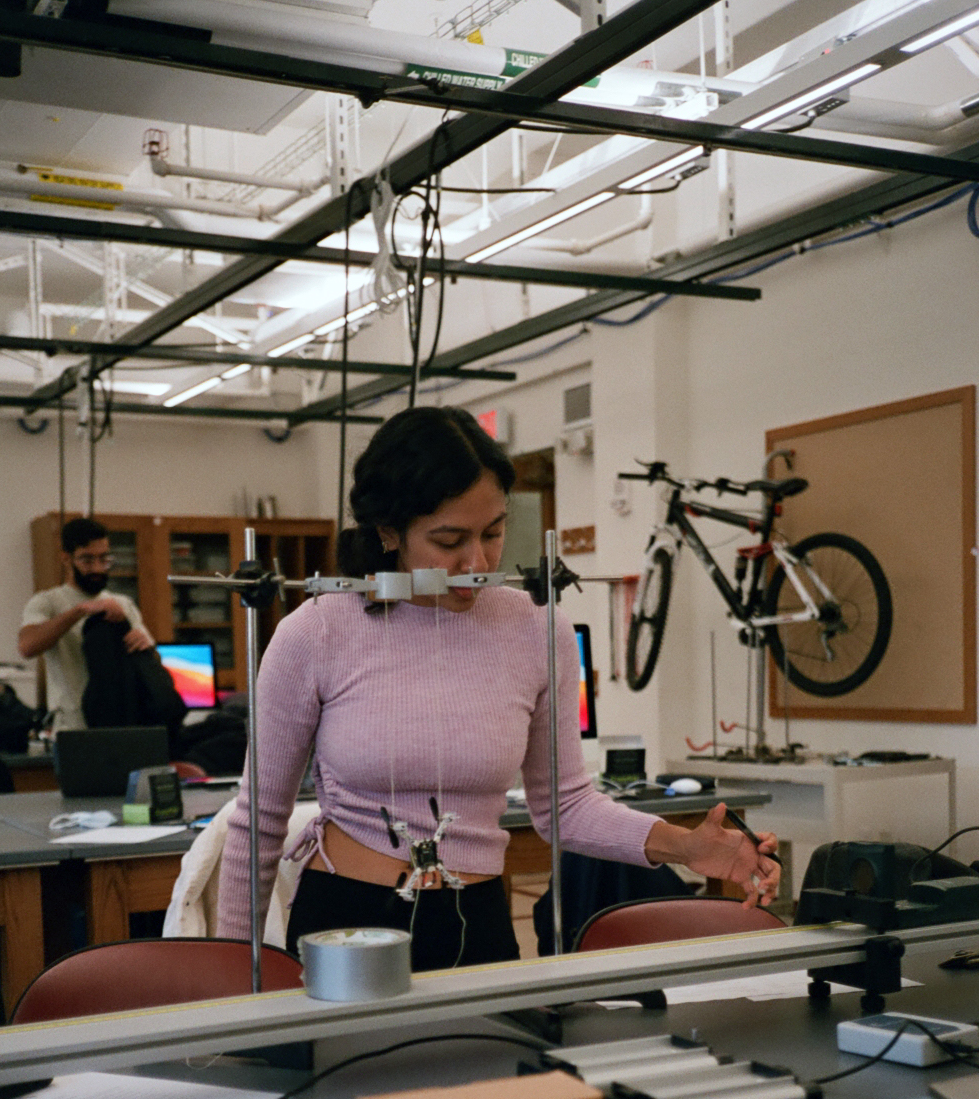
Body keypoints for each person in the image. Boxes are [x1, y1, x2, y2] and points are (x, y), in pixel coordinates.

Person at [216, 406, 779, 969]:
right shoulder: (315, 632)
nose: (478, 561)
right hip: (347, 927)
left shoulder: (539, 627)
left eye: (493, 532)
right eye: (448, 539)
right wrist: (229, 977)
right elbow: (258, 819)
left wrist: (687, 845)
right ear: (389, 531)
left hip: (477, 922)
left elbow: (566, 805)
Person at [18, 517, 154, 732]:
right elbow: (27, 646)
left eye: (104, 559)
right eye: (87, 560)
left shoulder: (122, 604)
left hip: (122, 724)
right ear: (66, 559)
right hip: (73, 727)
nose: (97, 568)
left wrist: (142, 643)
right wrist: (79, 611)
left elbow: (149, 664)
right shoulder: (47, 602)